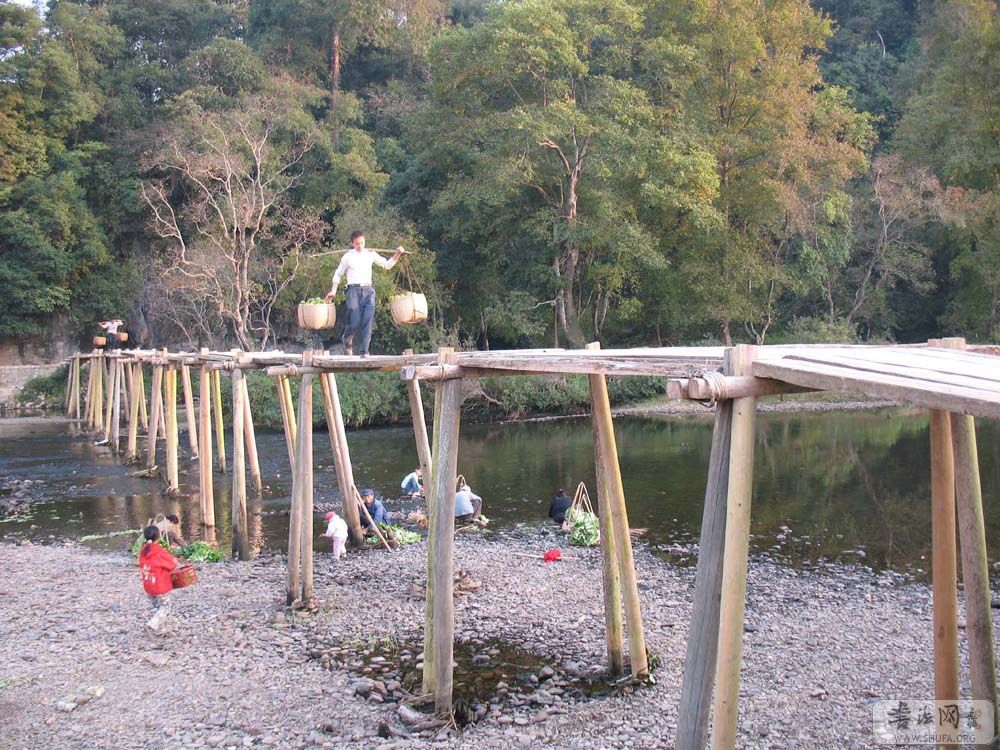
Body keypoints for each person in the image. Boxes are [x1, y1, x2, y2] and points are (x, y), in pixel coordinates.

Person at [324, 231, 406, 357]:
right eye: (357, 244)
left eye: (362, 243)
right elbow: (338, 274)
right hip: (353, 291)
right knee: (355, 321)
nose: (360, 246)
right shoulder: (347, 257)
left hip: (368, 291)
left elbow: (387, 265)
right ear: (352, 243)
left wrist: (398, 254)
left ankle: (364, 352)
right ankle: (346, 339)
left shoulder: (370, 254)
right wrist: (333, 290)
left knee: (367, 322)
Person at [138, 525, 178, 633]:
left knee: (157, 608)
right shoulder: (158, 551)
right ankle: (152, 624)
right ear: (158, 536)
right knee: (165, 607)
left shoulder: (143, 551)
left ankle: (161, 630)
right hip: (160, 585)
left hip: (148, 586)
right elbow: (172, 563)